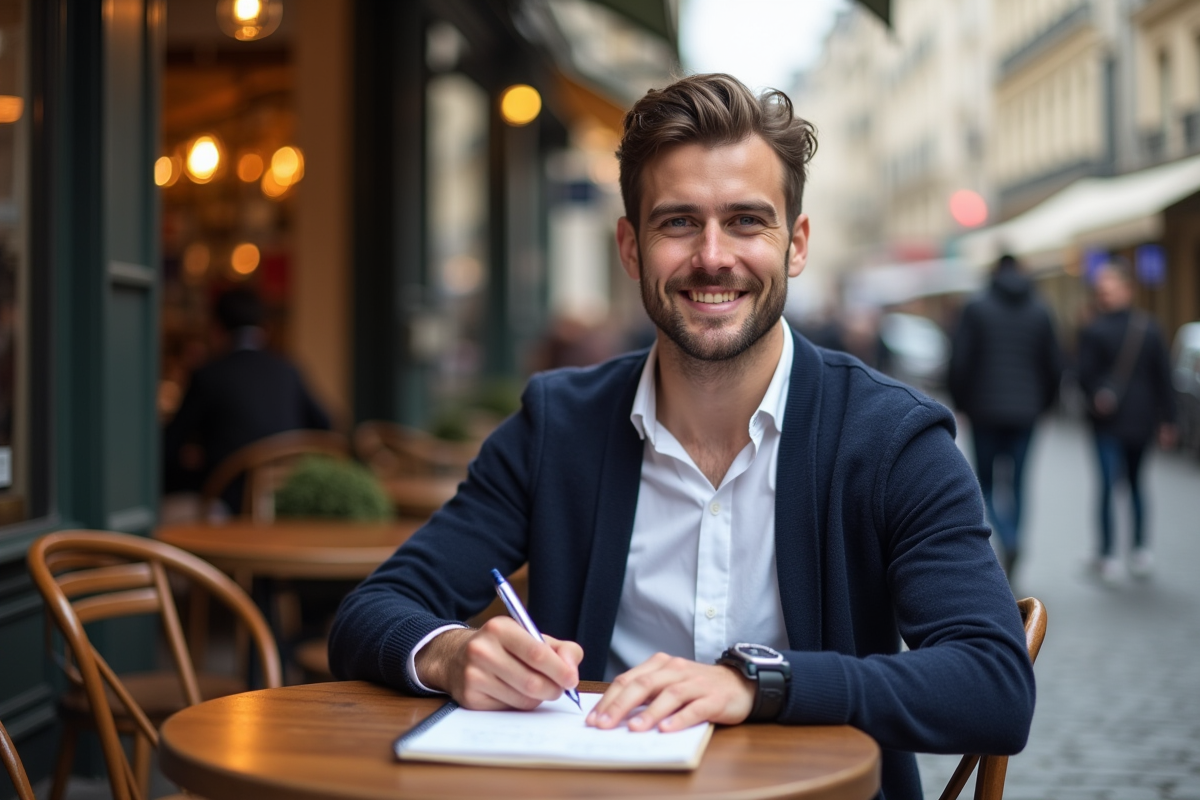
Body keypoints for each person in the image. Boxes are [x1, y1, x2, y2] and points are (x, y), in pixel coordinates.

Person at [330, 74, 1034, 800]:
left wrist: (762, 684)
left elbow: (993, 684)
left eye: (746, 221)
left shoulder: (892, 437)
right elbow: (372, 612)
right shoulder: (557, 425)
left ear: (795, 244)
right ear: (631, 249)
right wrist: (452, 654)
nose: (712, 256)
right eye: (677, 223)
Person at [163, 287, 332, 512]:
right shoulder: (287, 369)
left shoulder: (209, 375)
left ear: (216, 329)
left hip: (226, 498)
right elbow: (326, 425)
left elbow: (170, 444)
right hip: (284, 496)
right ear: (263, 328)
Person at [949, 254, 1062, 579]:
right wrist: (1047, 406)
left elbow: (961, 361)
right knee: (1019, 482)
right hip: (1027, 412)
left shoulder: (976, 307)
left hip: (984, 410)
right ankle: (1016, 538)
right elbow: (1054, 364)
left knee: (984, 483)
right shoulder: (1041, 309)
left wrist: (961, 402)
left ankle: (1006, 537)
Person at [1077, 260, 1176, 583]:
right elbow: (1082, 375)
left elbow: (1164, 377)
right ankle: (1108, 552)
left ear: (1126, 289)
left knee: (1133, 484)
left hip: (1137, 421)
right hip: (1107, 423)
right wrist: (1095, 395)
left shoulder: (1147, 329)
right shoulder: (1095, 329)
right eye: (1101, 287)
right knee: (1108, 486)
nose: (1104, 292)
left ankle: (1138, 549)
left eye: (1110, 286)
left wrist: (1169, 420)